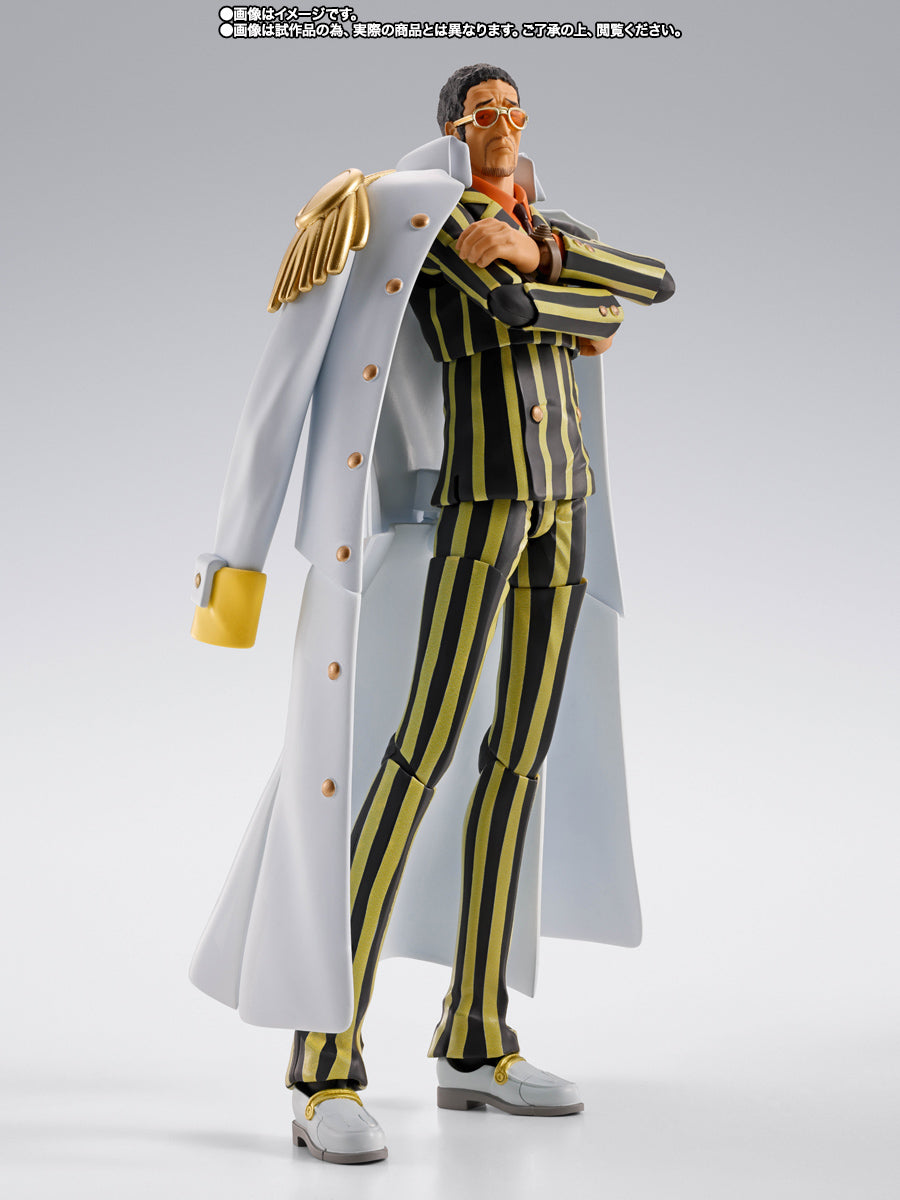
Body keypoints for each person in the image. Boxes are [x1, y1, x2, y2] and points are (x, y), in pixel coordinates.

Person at [190, 64, 674, 1165]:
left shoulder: (542, 224)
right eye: (482, 114)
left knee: (519, 767)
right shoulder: (419, 217)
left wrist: (547, 266)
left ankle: (477, 1038)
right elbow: (497, 314)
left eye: (514, 111)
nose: (502, 125)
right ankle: (326, 1064)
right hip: (475, 515)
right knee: (415, 760)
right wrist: (234, 561)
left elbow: (647, 285)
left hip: (565, 516)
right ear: (453, 130)